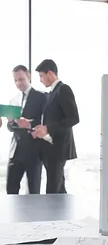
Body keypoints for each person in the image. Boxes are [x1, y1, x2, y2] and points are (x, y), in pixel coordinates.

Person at [34, 59, 79, 194]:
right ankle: (62, 214)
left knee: (53, 189)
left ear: (50, 74)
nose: (41, 80)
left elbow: (74, 118)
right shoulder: (51, 93)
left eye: (41, 76)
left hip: (59, 147)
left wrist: (48, 128)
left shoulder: (63, 89)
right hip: (50, 146)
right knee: (58, 188)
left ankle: (53, 215)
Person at [6, 65, 46, 194]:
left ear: (28, 76)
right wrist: (11, 122)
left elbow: (46, 121)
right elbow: (10, 127)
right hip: (15, 151)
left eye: (21, 79)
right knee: (11, 190)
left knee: (33, 191)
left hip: (33, 151)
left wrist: (29, 124)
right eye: (16, 80)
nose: (18, 83)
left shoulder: (41, 97)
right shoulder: (13, 99)